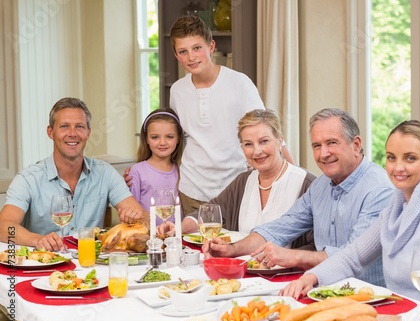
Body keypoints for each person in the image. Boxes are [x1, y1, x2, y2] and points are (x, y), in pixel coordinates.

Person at [280, 120, 420, 321]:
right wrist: (312, 277)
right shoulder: (396, 206)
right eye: (392, 158)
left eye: (410, 158)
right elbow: (354, 256)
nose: (398, 167)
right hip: (411, 319)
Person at [203, 108, 394, 287]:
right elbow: (280, 228)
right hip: (322, 290)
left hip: (368, 296)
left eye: (331, 143)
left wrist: (294, 257)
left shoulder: (379, 189)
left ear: (356, 144)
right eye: (317, 146)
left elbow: (354, 255)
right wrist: (232, 249)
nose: (323, 153)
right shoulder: (320, 186)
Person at [168, 15, 294, 215]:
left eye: (197, 48)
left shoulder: (239, 83)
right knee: (194, 246)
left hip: (235, 188)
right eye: (183, 51)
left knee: (234, 244)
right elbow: (175, 139)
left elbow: (267, 129)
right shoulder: (177, 91)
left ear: (211, 46)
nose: (191, 57)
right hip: (191, 189)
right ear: (176, 56)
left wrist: (294, 174)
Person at [0, 97, 147, 252]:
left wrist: (135, 215)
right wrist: (38, 240)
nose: (72, 133)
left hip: (91, 265)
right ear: (51, 132)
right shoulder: (28, 179)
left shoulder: (105, 173)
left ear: (88, 133)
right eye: (64, 126)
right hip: (45, 264)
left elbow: (144, 219)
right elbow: (4, 226)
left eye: (79, 127)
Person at [158, 109, 316, 249]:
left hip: (287, 274)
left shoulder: (307, 184)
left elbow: (316, 244)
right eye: (248, 144)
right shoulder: (243, 181)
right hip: (239, 270)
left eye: (264, 141)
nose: (257, 151)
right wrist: (178, 229)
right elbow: (208, 212)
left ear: (280, 140)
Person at [128, 108, 184, 226]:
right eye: (155, 137)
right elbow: (131, 209)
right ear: (146, 139)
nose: (162, 142)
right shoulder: (137, 171)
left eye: (169, 137)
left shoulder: (181, 170)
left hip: (175, 238)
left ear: (178, 138)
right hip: (148, 238)